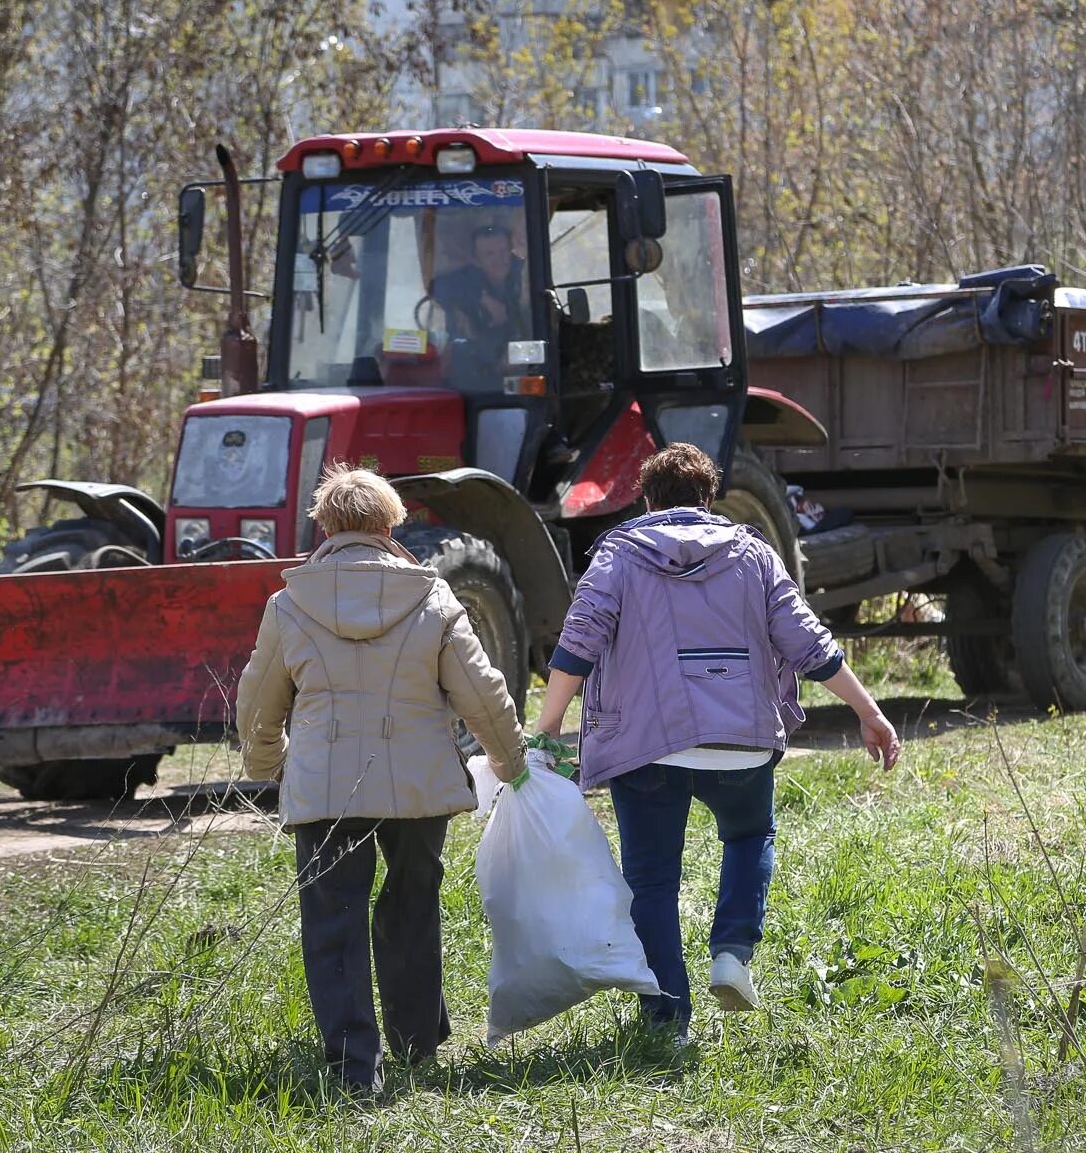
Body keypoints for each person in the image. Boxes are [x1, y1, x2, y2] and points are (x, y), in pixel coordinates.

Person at [532, 443, 902, 1038]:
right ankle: (732, 950)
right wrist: (869, 711)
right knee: (750, 833)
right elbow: (808, 641)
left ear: (646, 501)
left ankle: (666, 1016)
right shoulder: (755, 555)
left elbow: (580, 641)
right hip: (742, 741)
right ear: (709, 499)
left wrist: (549, 725)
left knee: (652, 878)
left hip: (647, 748)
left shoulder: (618, 557)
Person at [237, 465, 527, 1095]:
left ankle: (352, 1066)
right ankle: (417, 1042)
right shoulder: (434, 598)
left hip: (326, 789)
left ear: (324, 525)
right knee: (412, 903)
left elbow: (257, 704)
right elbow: (483, 692)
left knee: (333, 917)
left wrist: (266, 766)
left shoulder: (289, 605)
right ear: (393, 524)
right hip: (419, 785)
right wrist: (510, 761)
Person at [436, 223, 531, 384]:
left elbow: (538, 321)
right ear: (476, 260)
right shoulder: (465, 280)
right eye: (490, 254)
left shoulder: (526, 274)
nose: (499, 260)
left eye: (503, 251)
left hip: (522, 362)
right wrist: (480, 298)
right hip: (472, 364)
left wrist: (518, 353)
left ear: (511, 251)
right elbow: (438, 288)